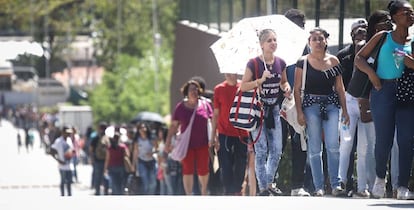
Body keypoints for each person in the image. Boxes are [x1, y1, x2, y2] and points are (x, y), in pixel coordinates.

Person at [355, 0, 414, 200]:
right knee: (384, 140)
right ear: (395, 16)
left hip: (408, 93)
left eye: (412, 12)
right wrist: (372, 75)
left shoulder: (413, 40)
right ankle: (380, 178)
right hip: (383, 89)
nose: (410, 16)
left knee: (406, 140)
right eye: (406, 13)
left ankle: (402, 186)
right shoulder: (383, 37)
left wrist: (408, 61)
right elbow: (359, 59)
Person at [294, 27, 349, 197]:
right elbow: (296, 89)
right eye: (314, 39)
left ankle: (335, 184)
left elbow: (340, 88)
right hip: (311, 106)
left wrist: (345, 111)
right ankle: (318, 186)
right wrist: (299, 113)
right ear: (309, 43)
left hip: (332, 105)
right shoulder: (302, 62)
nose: (318, 41)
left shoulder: (334, 61)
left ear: (326, 41)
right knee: (315, 148)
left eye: (321, 38)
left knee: (333, 146)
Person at [240, 29, 290, 196]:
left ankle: (269, 183)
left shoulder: (281, 62)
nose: (273, 43)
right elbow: (243, 86)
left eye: (275, 39)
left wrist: (287, 88)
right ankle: (263, 187)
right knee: (261, 150)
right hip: (257, 111)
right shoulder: (253, 63)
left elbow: (284, 82)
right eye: (269, 40)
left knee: (276, 149)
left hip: (274, 110)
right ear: (262, 44)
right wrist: (260, 80)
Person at [336, 18, 368, 197]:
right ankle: (342, 181)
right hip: (348, 101)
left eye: (364, 30)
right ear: (352, 33)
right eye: (358, 30)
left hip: (366, 101)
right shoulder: (343, 54)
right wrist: (344, 107)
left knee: (364, 147)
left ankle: (362, 185)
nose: (361, 32)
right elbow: (340, 83)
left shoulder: (373, 52)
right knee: (346, 143)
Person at [165, 80, 213, 195]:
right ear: (186, 92)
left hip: (203, 143)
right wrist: (168, 141)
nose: (194, 91)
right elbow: (173, 126)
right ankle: (188, 194)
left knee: (203, 169)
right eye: (191, 89)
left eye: (196, 89)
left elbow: (212, 121)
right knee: (188, 170)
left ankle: (203, 190)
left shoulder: (205, 105)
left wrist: (214, 138)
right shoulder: (180, 107)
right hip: (187, 145)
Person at [283, 8, 312, 196]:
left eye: (302, 25)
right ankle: (269, 184)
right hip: (279, 101)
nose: (299, 28)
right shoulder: (276, 45)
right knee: (276, 145)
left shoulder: (307, 47)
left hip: (300, 101)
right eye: (295, 24)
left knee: (299, 143)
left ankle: (298, 186)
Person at [211, 73, 249, 195]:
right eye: (226, 71)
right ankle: (229, 191)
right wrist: (213, 136)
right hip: (224, 132)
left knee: (241, 162)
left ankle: (237, 189)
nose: (228, 74)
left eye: (230, 71)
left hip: (242, 131)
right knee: (225, 163)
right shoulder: (219, 89)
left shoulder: (244, 87)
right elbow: (216, 114)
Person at [132, 122, 157, 195]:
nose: (142, 129)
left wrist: (152, 153)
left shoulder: (151, 139)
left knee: (153, 182)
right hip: (141, 162)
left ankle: (150, 196)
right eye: (140, 128)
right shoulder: (137, 140)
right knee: (145, 180)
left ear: (146, 129)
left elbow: (157, 149)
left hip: (151, 161)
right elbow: (135, 152)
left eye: (144, 127)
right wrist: (133, 165)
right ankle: (146, 196)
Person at [49, 126, 74, 196]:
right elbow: (51, 152)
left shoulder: (69, 140)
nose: (69, 134)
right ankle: (63, 195)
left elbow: (71, 150)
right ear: (63, 133)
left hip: (69, 165)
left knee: (69, 182)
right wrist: (58, 160)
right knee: (63, 181)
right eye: (67, 133)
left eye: (69, 133)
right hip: (62, 166)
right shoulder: (58, 141)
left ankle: (69, 195)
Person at [104, 125, 129, 195]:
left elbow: (107, 159)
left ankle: (115, 194)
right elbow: (127, 155)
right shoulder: (123, 147)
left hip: (112, 167)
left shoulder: (110, 148)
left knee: (114, 183)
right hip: (121, 166)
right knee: (121, 182)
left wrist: (105, 169)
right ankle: (120, 194)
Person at [89, 122, 110, 195]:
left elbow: (91, 150)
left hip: (97, 160)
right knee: (105, 176)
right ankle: (106, 191)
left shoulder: (95, 138)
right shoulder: (108, 138)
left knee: (98, 176)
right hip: (106, 160)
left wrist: (92, 159)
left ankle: (97, 191)